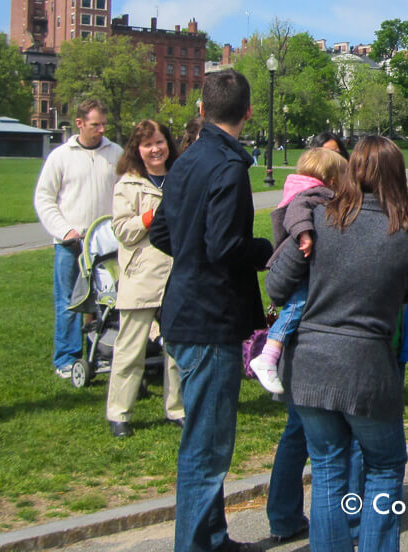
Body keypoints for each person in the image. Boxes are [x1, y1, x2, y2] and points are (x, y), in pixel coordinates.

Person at [263, 132, 408, 543]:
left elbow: (276, 284)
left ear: (352, 172)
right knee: (385, 466)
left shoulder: (320, 219)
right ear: (396, 176)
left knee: (327, 471)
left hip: (310, 366)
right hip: (366, 368)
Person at [149, 70, 273, 552]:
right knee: (207, 447)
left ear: (202, 111)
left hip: (183, 310)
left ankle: (213, 537)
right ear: (246, 113)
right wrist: (265, 248)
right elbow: (225, 245)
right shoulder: (226, 167)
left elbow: (163, 233)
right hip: (208, 319)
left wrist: (193, 253)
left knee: (205, 436)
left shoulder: (186, 161)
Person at [105, 120, 184, 438]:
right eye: (148, 144)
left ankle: (176, 408)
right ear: (137, 150)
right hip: (141, 274)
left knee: (176, 348)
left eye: (160, 142)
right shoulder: (128, 184)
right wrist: (152, 216)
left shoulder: (180, 177)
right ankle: (119, 413)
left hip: (177, 273)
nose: (155, 149)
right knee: (130, 348)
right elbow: (122, 230)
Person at [34, 98, 122, 379]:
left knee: (106, 302)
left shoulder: (115, 153)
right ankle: (68, 358)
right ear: (80, 123)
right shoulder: (61, 156)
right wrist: (65, 231)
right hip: (70, 245)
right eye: (95, 124)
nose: (101, 129)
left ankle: (101, 353)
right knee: (70, 303)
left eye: (103, 124)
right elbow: (44, 199)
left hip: (105, 246)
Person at [248, 147, 348, 395]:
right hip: (294, 259)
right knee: (296, 305)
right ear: (333, 180)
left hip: (299, 261)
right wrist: (304, 233)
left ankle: (276, 361)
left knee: (297, 306)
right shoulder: (311, 195)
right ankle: (268, 357)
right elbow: (296, 213)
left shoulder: (307, 192)